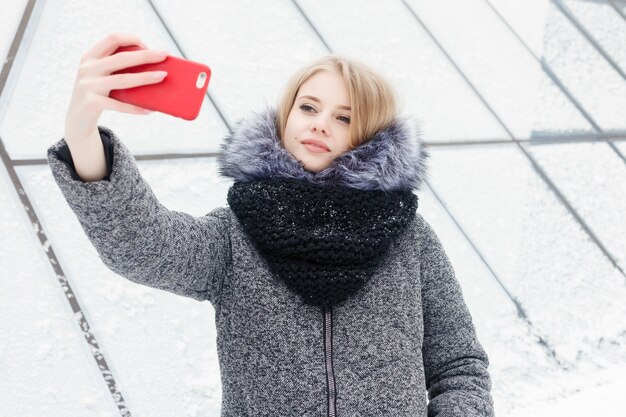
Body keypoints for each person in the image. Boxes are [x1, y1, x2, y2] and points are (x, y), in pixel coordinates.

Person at [48, 32, 494, 416]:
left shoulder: (409, 240)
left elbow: (460, 366)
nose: (320, 124)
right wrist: (81, 132)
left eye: (344, 117)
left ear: (371, 136)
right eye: (308, 107)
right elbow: (143, 246)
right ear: (285, 116)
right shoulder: (234, 236)